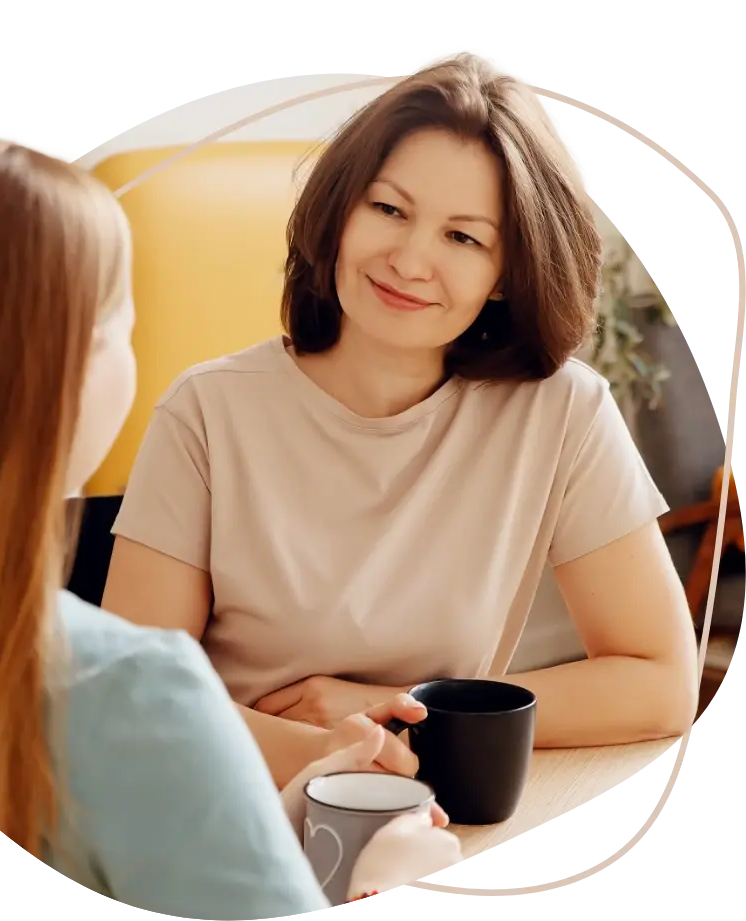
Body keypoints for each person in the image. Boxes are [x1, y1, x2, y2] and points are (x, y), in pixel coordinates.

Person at [0, 131, 461, 917]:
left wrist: (261, 814)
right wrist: (369, 872)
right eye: (122, 327)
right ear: (76, 363)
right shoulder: (128, 691)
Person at [101, 48, 701, 790]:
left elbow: (660, 684)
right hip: (225, 794)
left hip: (425, 805)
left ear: (507, 275)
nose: (410, 260)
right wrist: (321, 748)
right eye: (387, 208)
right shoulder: (206, 410)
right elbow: (124, 695)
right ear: (339, 211)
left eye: (463, 237)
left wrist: (400, 708)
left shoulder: (561, 411)